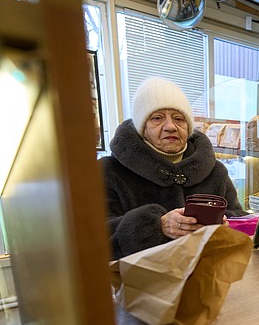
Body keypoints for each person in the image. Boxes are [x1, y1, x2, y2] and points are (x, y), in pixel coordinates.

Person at [100, 76, 244, 259]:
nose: (170, 127)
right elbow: (94, 236)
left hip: (207, 279)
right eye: (157, 118)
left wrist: (223, 227)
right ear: (141, 128)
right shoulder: (109, 171)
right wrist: (155, 226)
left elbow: (239, 218)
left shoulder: (215, 171)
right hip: (138, 283)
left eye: (179, 119)